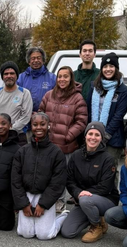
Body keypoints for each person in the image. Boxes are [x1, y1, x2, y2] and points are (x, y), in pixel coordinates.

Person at [12, 113, 68, 240]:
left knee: (44, 235)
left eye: (42, 124)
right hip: (27, 195)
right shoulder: (23, 151)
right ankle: (34, 218)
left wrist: (43, 204)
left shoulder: (56, 152)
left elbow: (58, 181)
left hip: (45, 195)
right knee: (26, 233)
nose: (39, 128)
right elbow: (15, 180)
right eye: (35, 124)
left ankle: (62, 217)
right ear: (31, 126)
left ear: (49, 126)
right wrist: (23, 204)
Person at [60, 122, 118, 242]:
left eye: (97, 135)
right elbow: (69, 180)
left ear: (101, 138)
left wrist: (83, 194)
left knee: (86, 200)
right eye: (90, 133)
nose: (93, 137)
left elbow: (106, 186)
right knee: (67, 232)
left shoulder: (108, 159)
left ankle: (97, 226)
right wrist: (77, 193)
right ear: (85, 136)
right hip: (83, 199)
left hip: (106, 200)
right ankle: (92, 214)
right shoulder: (76, 156)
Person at [39, 65, 88, 210]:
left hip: (66, 145)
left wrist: (68, 136)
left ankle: (60, 201)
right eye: (59, 76)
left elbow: (82, 121)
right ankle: (47, 199)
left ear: (71, 78)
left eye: (65, 76)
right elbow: (40, 113)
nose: (62, 79)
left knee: (62, 175)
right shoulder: (48, 95)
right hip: (48, 143)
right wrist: (43, 131)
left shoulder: (77, 98)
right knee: (47, 172)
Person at [86, 52, 127, 186]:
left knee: (110, 168)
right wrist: (92, 132)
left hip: (112, 137)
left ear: (116, 68)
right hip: (93, 135)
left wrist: (105, 134)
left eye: (112, 66)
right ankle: (93, 196)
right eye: (105, 66)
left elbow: (119, 114)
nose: (108, 69)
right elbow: (88, 109)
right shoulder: (94, 86)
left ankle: (111, 198)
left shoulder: (123, 90)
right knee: (93, 168)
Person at [0, 61, 32, 147]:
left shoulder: (25, 93)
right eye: (6, 74)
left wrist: (10, 130)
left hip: (18, 138)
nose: (9, 76)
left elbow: (26, 116)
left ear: (16, 76)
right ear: (2, 76)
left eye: (12, 73)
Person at [17, 47, 56, 113]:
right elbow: (16, 98)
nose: (36, 60)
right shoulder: (21, 78)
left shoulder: (52, 78)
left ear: (43, 60)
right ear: (29, 61)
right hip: (25, 117)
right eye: (33, 58)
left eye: (38, 58)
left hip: (46, 117)